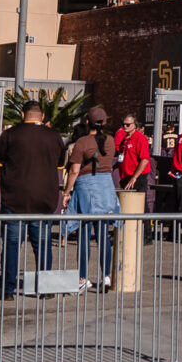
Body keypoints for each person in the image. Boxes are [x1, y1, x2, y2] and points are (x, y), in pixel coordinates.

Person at [0, 101, 65, 298]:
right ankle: (45, 289)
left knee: (12, 245)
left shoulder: (11, 135)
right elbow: (60, 165)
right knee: (43, 245)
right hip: (44, 201)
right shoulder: (54, 137)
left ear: (23, 115)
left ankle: (8, 290)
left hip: (15, 200)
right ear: (42, 115)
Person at [63, 107, 120, 290]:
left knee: (84, 235)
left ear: (87, 122)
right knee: (103, 235)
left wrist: (66, 192)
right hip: (105, 187)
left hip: (86, 187)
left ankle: (82, 278)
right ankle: (106, 276)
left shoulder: (82, 142)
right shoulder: (110, 141)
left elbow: (74, 170)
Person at [116, 115, 155, 214]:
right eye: (123, 124)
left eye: (128, 124)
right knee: (127, 205)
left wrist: (134, 177)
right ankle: (129, 228)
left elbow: (145, 160)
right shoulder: (125, 139)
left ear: (134, 125)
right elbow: (124, 158)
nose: (125, 127)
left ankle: (146, 229)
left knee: (141, 205)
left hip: (137, 177)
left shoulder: (140, 138)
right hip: (125, 176)